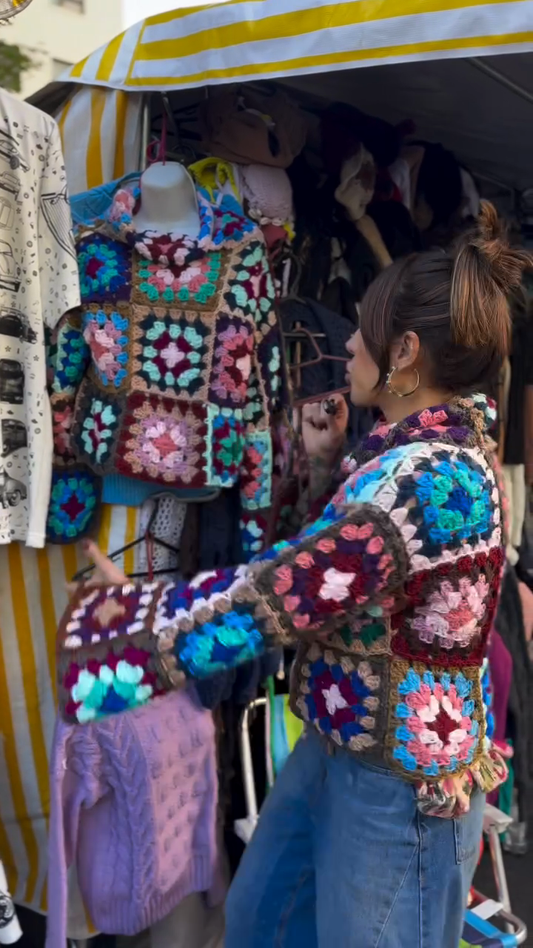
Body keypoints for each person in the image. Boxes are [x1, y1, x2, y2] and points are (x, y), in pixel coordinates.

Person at [58, 202, 531, 948]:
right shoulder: (419, 452)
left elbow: (286, 596)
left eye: (362, 333)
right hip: (341, 746)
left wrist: (130, 620)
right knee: (260, 921)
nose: (345, 347)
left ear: (403, 352)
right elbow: (303, 578)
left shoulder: (422, 480)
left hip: (395, 788)